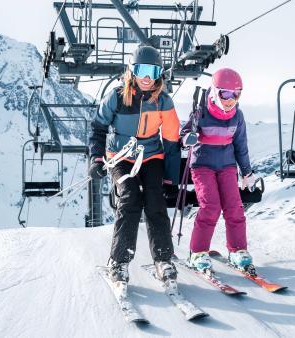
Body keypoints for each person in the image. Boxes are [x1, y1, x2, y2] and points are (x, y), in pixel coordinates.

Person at [88, 45, 181, 284]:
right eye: (142, 71)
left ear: (159, 73)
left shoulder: (163, 102)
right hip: (121, 157)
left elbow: (171, 143)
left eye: (153, 71)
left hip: (151, 157)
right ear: (133, 71)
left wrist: (171, 179)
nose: (147, 78)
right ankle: (119, 261)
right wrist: (96, 159)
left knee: (155, 201)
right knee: (129, 198)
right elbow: (98, 127)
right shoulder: (117, 97)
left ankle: (163, 259)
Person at [180, 68, 259, 273]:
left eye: (236, 94)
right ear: (215, 92)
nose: (230, 99)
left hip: (227, 166)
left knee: (234, 206)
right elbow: (186, 132)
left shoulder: (237, 116)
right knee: (211, 206)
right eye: (225, 93)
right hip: (203, 165)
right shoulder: (201, 112)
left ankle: (238, 250)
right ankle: (197, 252)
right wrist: (188, 137)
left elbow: (241, 146)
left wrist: (247, 173)